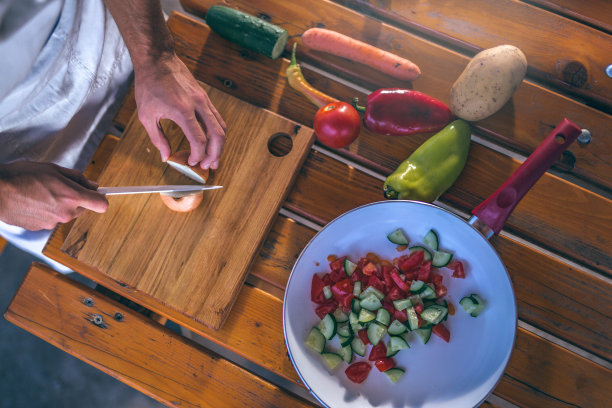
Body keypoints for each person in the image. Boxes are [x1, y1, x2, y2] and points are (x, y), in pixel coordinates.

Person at [0, 0, 226, 270]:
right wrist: (5, 196)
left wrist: (155, 57)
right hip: (20, 156)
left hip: (106, 31)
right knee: (86, 243)